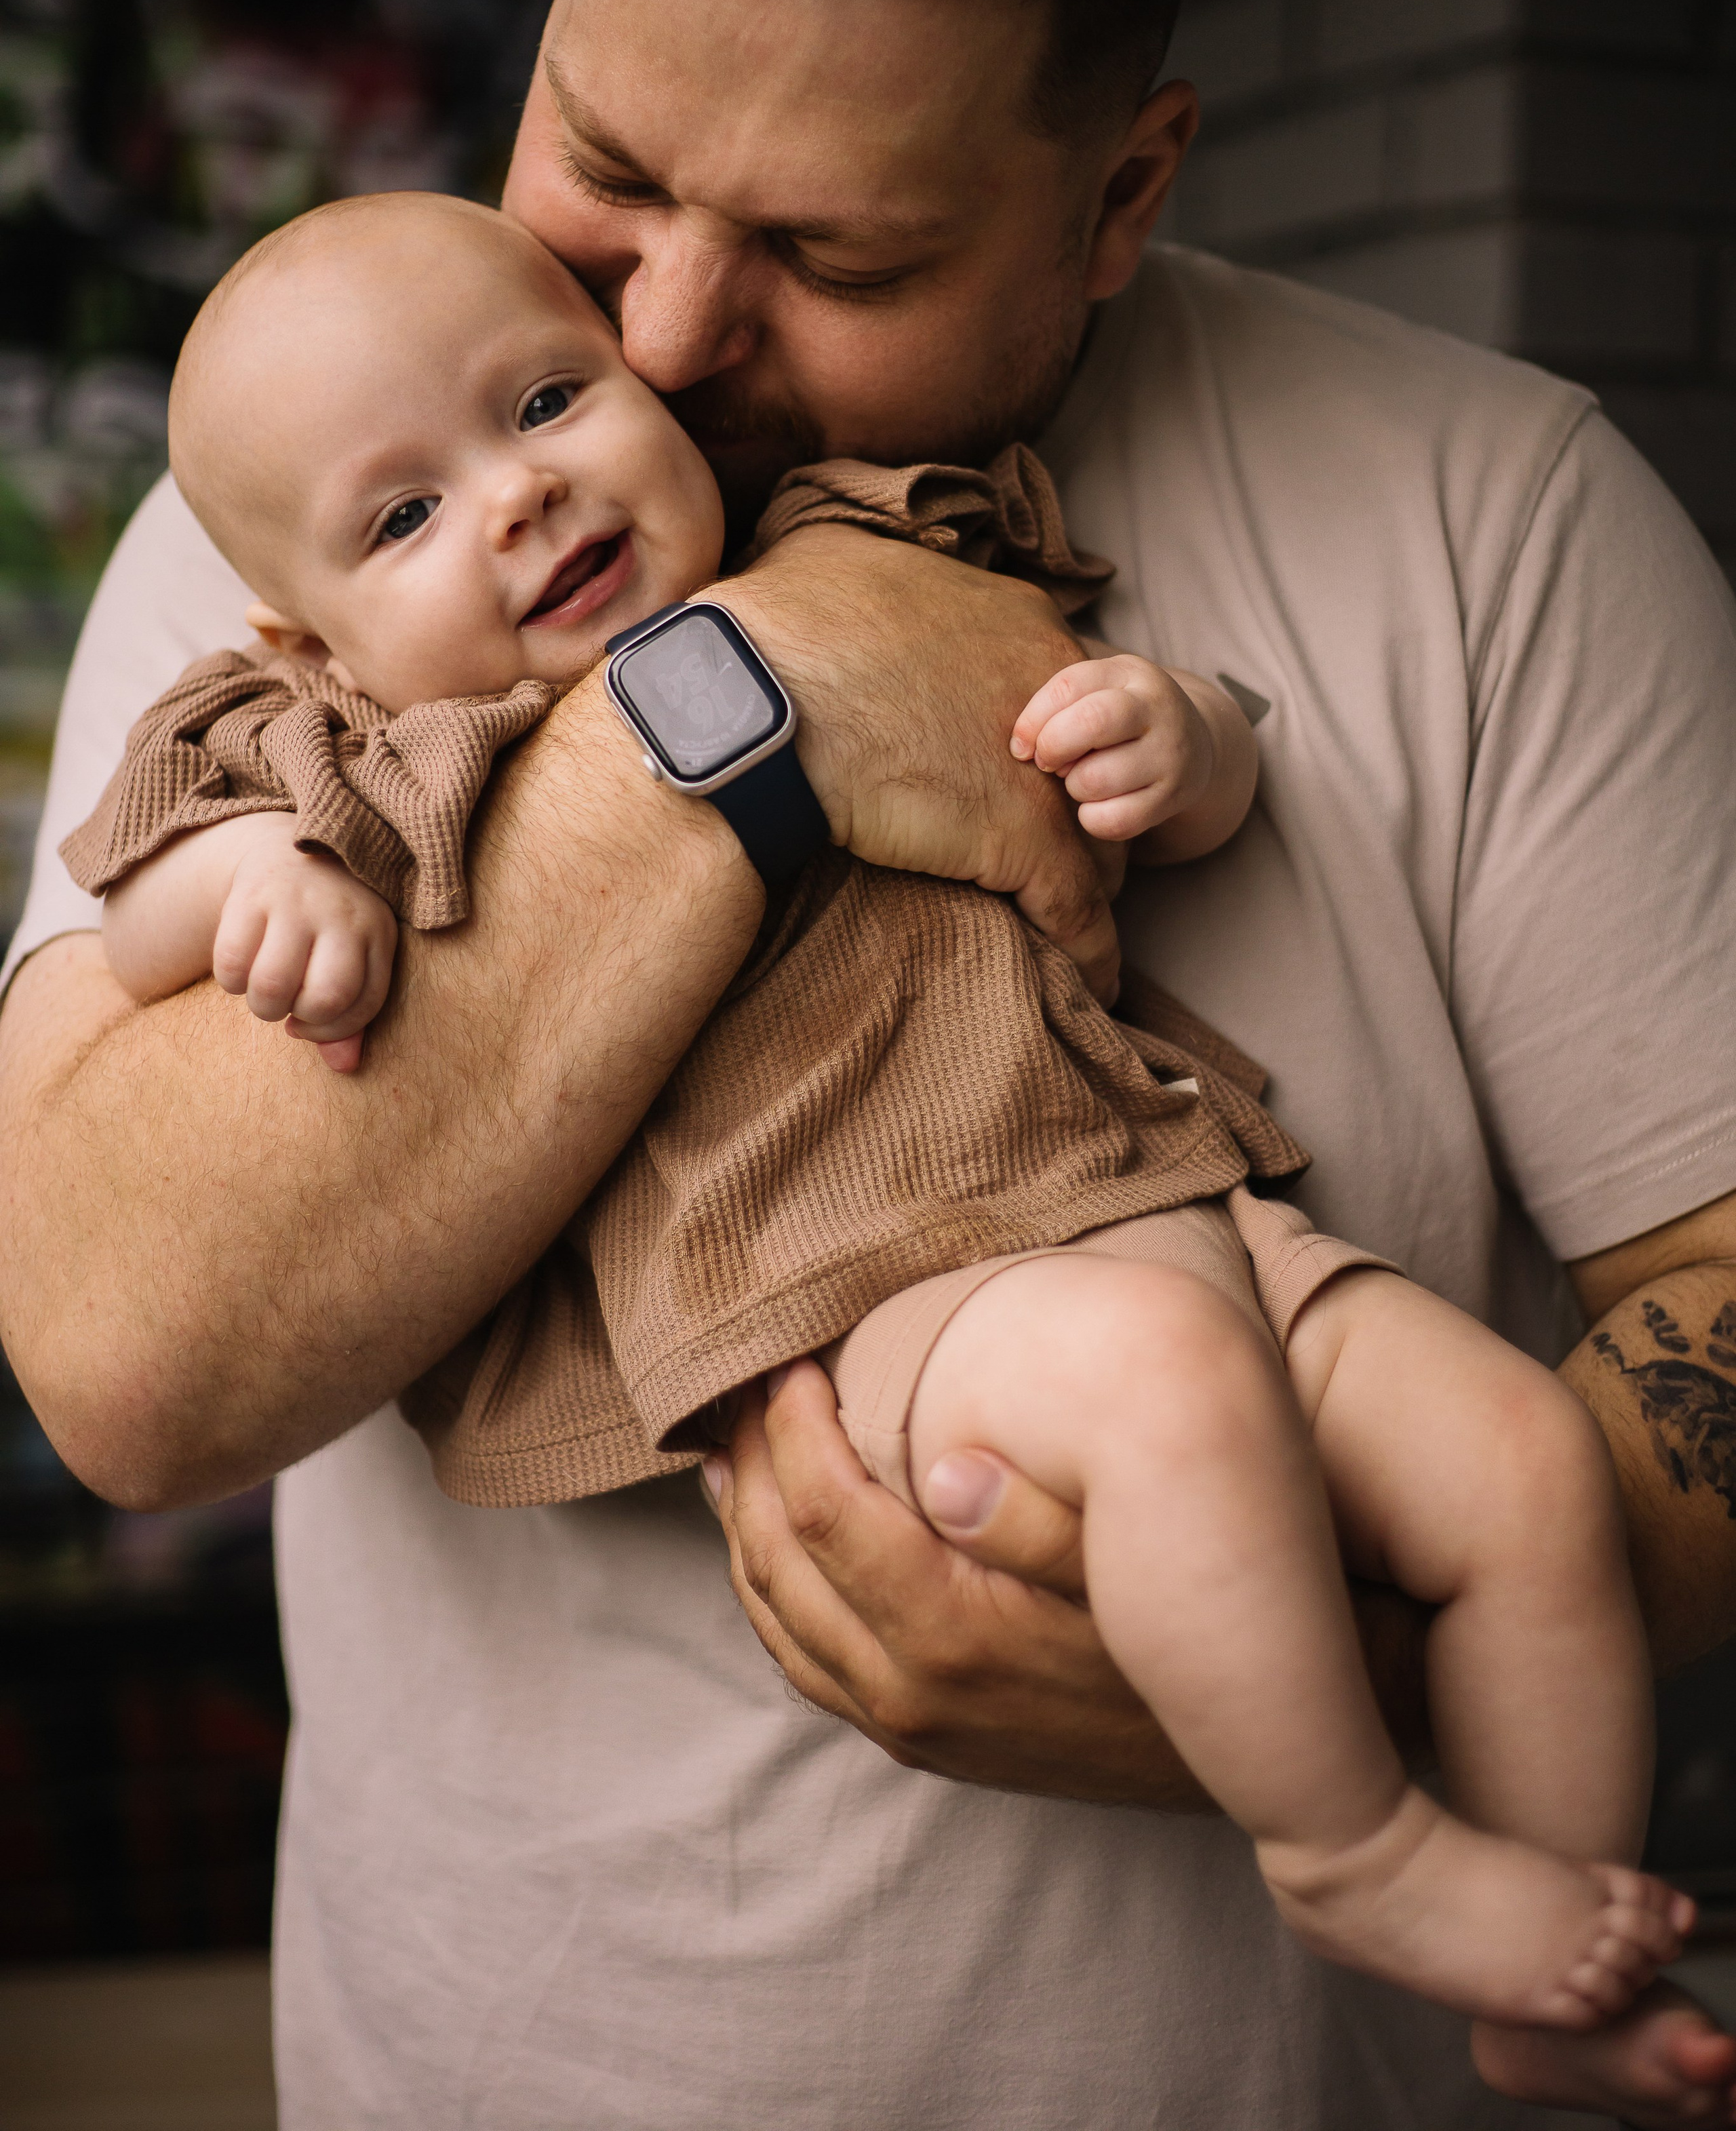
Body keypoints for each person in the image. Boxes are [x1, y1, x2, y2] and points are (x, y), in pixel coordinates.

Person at [2, 0, 1734, 2128]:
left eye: (836, 246)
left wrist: (1302, 1685)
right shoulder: (316, 527)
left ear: (1122, 194)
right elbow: (124, 1361)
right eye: (604, 154)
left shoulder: (1500, 517)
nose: (662, 341)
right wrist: (764, 696)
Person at [64, 188, 1695, 2086]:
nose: (514, 499)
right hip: (876, 1285)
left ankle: (1554, 1977)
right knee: (1172, 1388)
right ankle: (1358, 1853)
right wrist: (261, 888)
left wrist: (1187, 738)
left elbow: (1098, 675)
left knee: (1525, 1458)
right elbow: (139, 912)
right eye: (405, 516)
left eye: (545, 404)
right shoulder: (327, 738)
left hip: (1145, 1169)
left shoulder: (842, 538)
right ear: (305, 629)